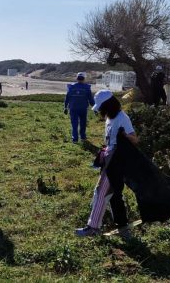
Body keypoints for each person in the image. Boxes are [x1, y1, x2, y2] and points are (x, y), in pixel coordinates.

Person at [75, 90, 139, 238]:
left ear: (108, 105)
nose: (100, 111)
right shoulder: (110, 117)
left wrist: (124, 136)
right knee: (115, 195)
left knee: (101, 192)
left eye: (101, 108)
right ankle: (123, 228)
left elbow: (135, 140)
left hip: (117, 161)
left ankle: (93, 227)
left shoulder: (123, 118)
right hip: (109, 159)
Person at [64, 72, 95, 143]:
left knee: (74, 124)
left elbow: (67, 98)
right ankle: (83, 137)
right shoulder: (87, 87)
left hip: (73, 108)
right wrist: (94, 108)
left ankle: (75, 139)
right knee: (83, 123)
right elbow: (90, 99)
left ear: (77, 78)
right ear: (84, 79)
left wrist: (65, 107)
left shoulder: (71, 87)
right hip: (83, 109)